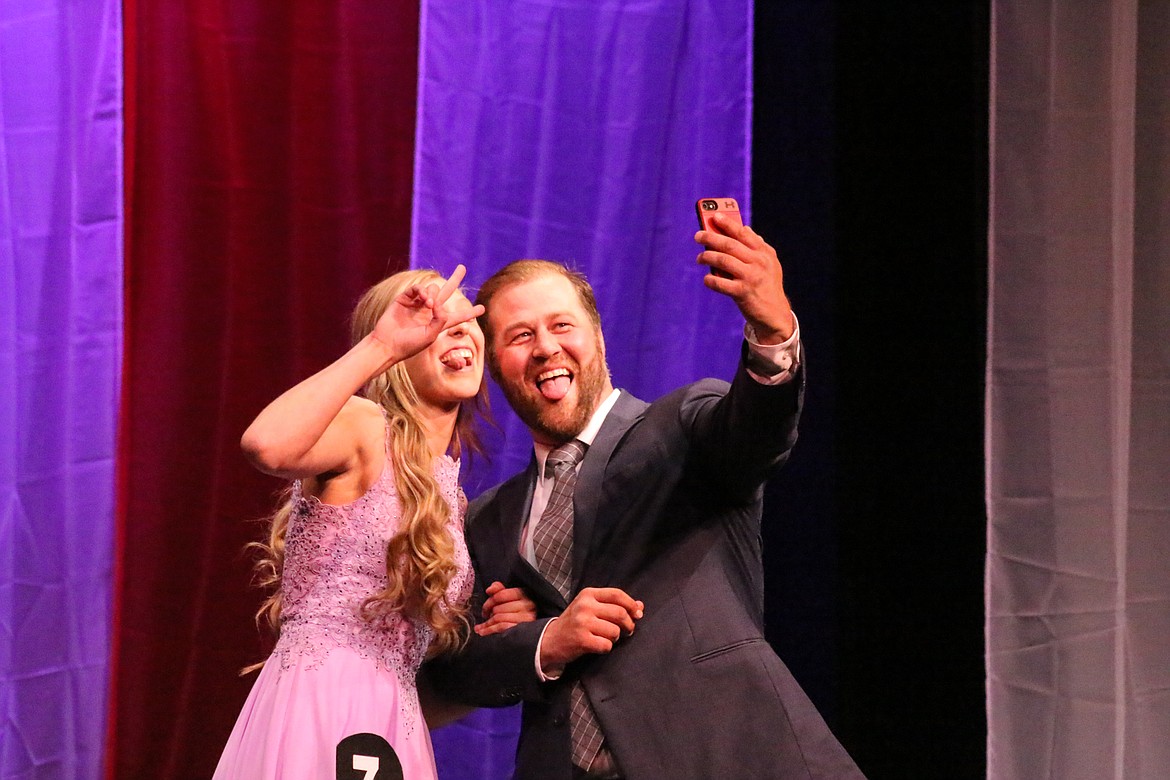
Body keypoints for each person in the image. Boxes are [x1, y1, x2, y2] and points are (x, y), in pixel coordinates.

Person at [426, 217, 865, 779]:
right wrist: (542, 641)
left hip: (722, 757)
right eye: (520, 336)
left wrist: (773, 331)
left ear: (599, 338)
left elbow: (756, 433)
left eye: (562, 325)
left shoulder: (679, 427)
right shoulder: (488, 518)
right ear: (497, 367)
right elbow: (453, 674)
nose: (545, 348)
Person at [213, 266, 535, 780]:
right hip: (323, 704)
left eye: (464, 319)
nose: (454, 330)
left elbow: (417, 661)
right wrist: (381, 345)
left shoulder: (449, 492)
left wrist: (495, 634)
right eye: (432, 322)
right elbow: (265, 444)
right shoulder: (366, 427)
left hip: (395, 721)